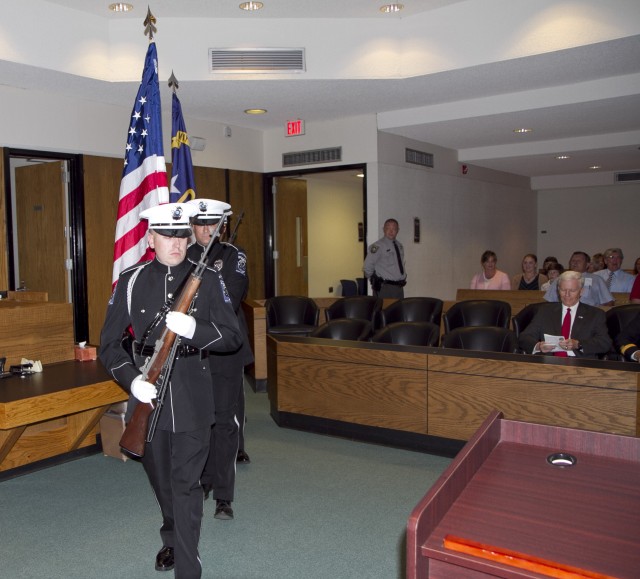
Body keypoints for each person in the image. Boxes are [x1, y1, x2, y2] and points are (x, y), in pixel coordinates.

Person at [99, 202, 242, 578]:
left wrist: (196, 329)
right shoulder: (131, 280)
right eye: (167, 234)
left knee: (186, 484)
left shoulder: (208, 278)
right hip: (146, 391)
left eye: (182, 235)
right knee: (161, 479)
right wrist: (132, 380)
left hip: (194, 393)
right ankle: (172, 536)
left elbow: (232, 336)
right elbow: (109, 345)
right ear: (151, 237)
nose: (176, 243)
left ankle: (188, 564)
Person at [186, 198, 254, 522]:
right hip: (193, 352)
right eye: (200, 224)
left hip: (226, 350)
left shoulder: (233, 256)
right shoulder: (183, 257)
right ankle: (204, 480)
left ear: (222, 226)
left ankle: (224, 497)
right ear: (192, 227)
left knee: (224, 423)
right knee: (201, 421)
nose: (206, 229)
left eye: (212, 223)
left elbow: (231, 296)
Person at [519, 270, 612, 359]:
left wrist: (578, 344)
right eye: (563, 290)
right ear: (558, 290)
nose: (567, 294)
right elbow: (525, 337)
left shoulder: (595, 314)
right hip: (548, 362)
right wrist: (538, 346)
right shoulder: (545, 311)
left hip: (580, 363)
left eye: (572, 291)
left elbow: (605, 343)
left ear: (581, 291)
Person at [543, 251, 613, 307]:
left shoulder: (597, 279)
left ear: (587, 264)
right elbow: (549, 301)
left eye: (579, 261)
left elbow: (608, 302)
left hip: (589, 315)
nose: (575, 263)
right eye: (573, 261)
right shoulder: (560, 279)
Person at [363, 218, 406, 298]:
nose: (391, 231)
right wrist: (374, 280)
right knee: (384, 310)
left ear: (398, 230)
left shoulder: (399, 246)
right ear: (383, 229)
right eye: (388, 228)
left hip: (399, 287)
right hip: (385, 288)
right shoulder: (378, 246)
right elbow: (367, 267)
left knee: (398, 310)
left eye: (394, 229)